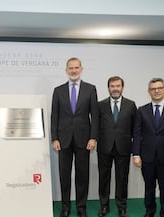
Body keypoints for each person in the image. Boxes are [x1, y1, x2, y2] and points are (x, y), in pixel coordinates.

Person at [51, 57, 99, 217]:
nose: (73, 70)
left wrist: (93, 138)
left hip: (84, 140)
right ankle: (65, 208)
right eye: (70, 68)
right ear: (66, 71)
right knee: (64, 176)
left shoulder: (90, 89)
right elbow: (54, 116)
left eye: (76, 68)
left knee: (82, 176)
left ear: (81, 69)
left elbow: (95, 116)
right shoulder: (58, 90)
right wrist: (54, 138)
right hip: (63, 141)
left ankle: (81, 207)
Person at [132, 78, 164, 217]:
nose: (157, 91)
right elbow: (137, 134)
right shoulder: (141, 110)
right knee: (149, 188)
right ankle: (149, 212)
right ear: (149, 91)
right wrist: (136, 154)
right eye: (153, 88)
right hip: (146, 157)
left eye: (159, 88)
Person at [97, 76, 137, 217]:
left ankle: (122, 207)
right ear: (108, 88)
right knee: (104, 178)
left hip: (123, 147)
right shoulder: (100, 105)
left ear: (122, 87)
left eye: (118, 86)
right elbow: (96, 126)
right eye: (112, 86)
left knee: (122, 179)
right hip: (104, 148)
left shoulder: (131, 105)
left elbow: (135, 128)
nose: (115, 88)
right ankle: (104, 206)